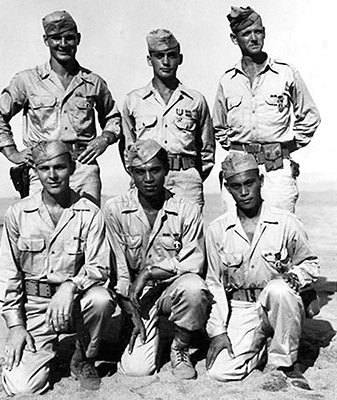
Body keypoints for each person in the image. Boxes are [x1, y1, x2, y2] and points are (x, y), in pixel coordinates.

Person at [0, 141, 116, 394]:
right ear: (35, 172)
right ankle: (46, 354)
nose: (52, 175)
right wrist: (16, 326)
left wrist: (72, 285)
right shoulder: (18, 213)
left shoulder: (89, 213)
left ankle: (82, 358)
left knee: (101, 300)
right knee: (24, 387)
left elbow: (100, 267)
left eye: (59, 167)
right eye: (44, 168)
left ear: (71, 168)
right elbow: (9, 274)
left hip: (75, 304)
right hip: (35, 309)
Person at [205, 152, 320, 390]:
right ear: (227, 188)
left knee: (279, 290)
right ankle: (263, 343)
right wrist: (218, 331)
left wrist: (295, 278)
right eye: (236, 186)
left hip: (277, 303)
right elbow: (213, 282)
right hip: (242, 307)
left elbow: (310, 263)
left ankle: (287, 362)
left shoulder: (286, 222)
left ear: (261, 182)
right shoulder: (217, 230)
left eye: (249, 183)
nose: (244, 192)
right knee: (221, 372)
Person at [0, 10, 121, 205]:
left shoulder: (93, 82)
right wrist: (12, 152)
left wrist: (104, 139)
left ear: (78, 39)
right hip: (44, 168)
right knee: (41, 227)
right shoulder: (27, 80)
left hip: (83, 168)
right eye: (56, 38)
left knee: (88, 227)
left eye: (69, 38)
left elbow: (113, 117)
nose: (63, 44)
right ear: (46, 40)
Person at [104, 139, 211, 379]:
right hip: (137, 295)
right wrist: (129, 311)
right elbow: (119, 268)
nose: (148, 178)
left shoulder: (186, 209)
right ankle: (136, 331)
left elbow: (193, 262)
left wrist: (151, 271)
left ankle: (180, 347)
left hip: (171, 289)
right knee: (137, 370)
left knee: (194, 287)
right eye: (140, 172)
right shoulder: (114, 209)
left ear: (166, 171)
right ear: (131, 173)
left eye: (155, 170)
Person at [213, 6, 321, 213]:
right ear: (235, 39)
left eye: (258, 32)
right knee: (237, 235)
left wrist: (286, 148)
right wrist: (238, 151)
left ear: (264, 33)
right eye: (246, 34)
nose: (254, 38)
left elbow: (310, 116)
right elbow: (218, 125)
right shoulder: (227, 81)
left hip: (276, 171)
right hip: (239, 170)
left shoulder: (285, 73)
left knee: (281, 231)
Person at [121, 29, 215, 208]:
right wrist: (140, 174)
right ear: (150, 60)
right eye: (159, 56)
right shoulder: (133, 100)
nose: (165, 62)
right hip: (147, 180)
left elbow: (207, 150)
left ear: (180, 59)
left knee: (189, 233)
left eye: (171, 55)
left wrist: (192, 175)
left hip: (185, 181)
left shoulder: (195, 100)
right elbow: (127, 148)